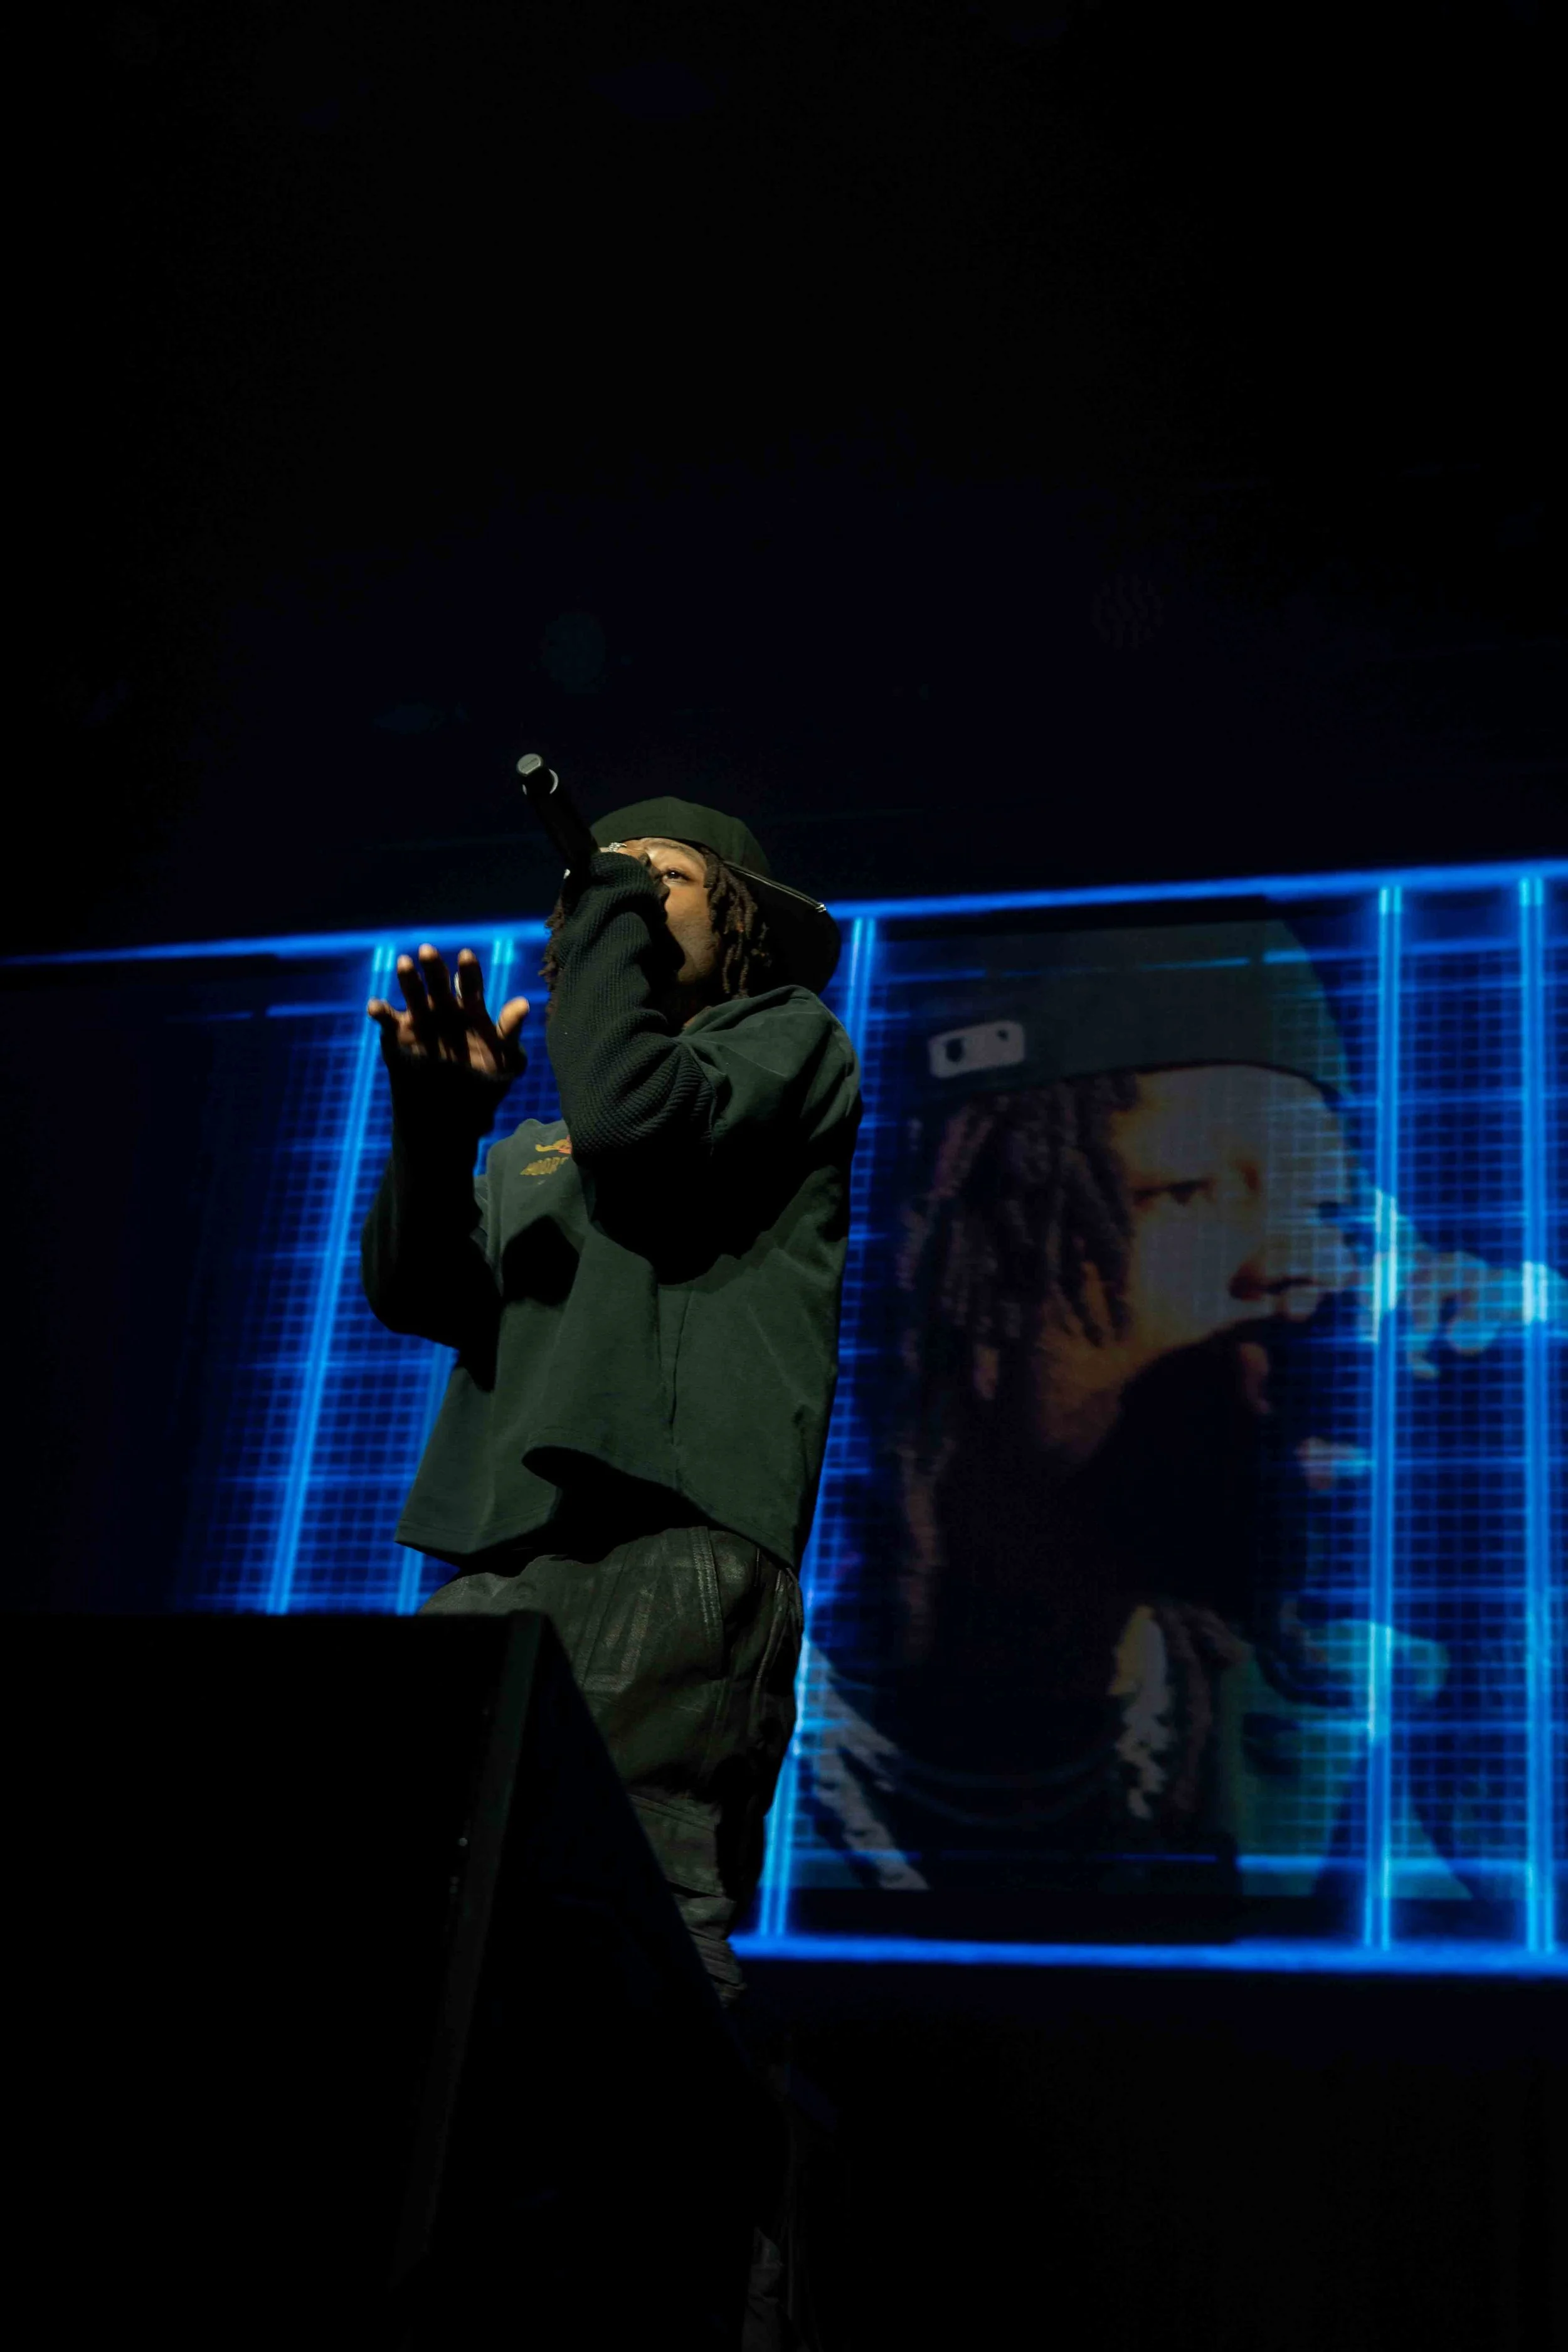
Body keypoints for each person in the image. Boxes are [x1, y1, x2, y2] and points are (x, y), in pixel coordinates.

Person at [361, 797, 861, 2344]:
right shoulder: (548, 1132)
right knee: (452, 1960)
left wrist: (596, 935)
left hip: (666, 1548)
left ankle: (720, 2293)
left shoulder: (782, 1046)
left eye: (668, 885)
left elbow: (647, 1126)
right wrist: (439, 1126)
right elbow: (426, 1291)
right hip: (495, 1564)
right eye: (609, 885)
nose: (631, 902)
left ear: (746, 924)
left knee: (644, 1923)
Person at [806, 916, 1557, 1912]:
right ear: (943, 1264)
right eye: (1190, 1189)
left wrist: (1510, 1604)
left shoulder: (1366, 1724)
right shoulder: (704, 1741)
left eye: (1331, 1208)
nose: (1312, 1272)